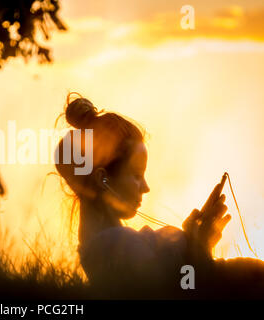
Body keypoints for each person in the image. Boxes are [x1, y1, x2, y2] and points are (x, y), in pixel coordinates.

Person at [54, 94, 261, 298]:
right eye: (136, 175)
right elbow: (188, 292)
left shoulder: (112, 243)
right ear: (103, 179)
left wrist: (194, 237)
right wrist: (201, 247)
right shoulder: (117, 246)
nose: (145, 188)